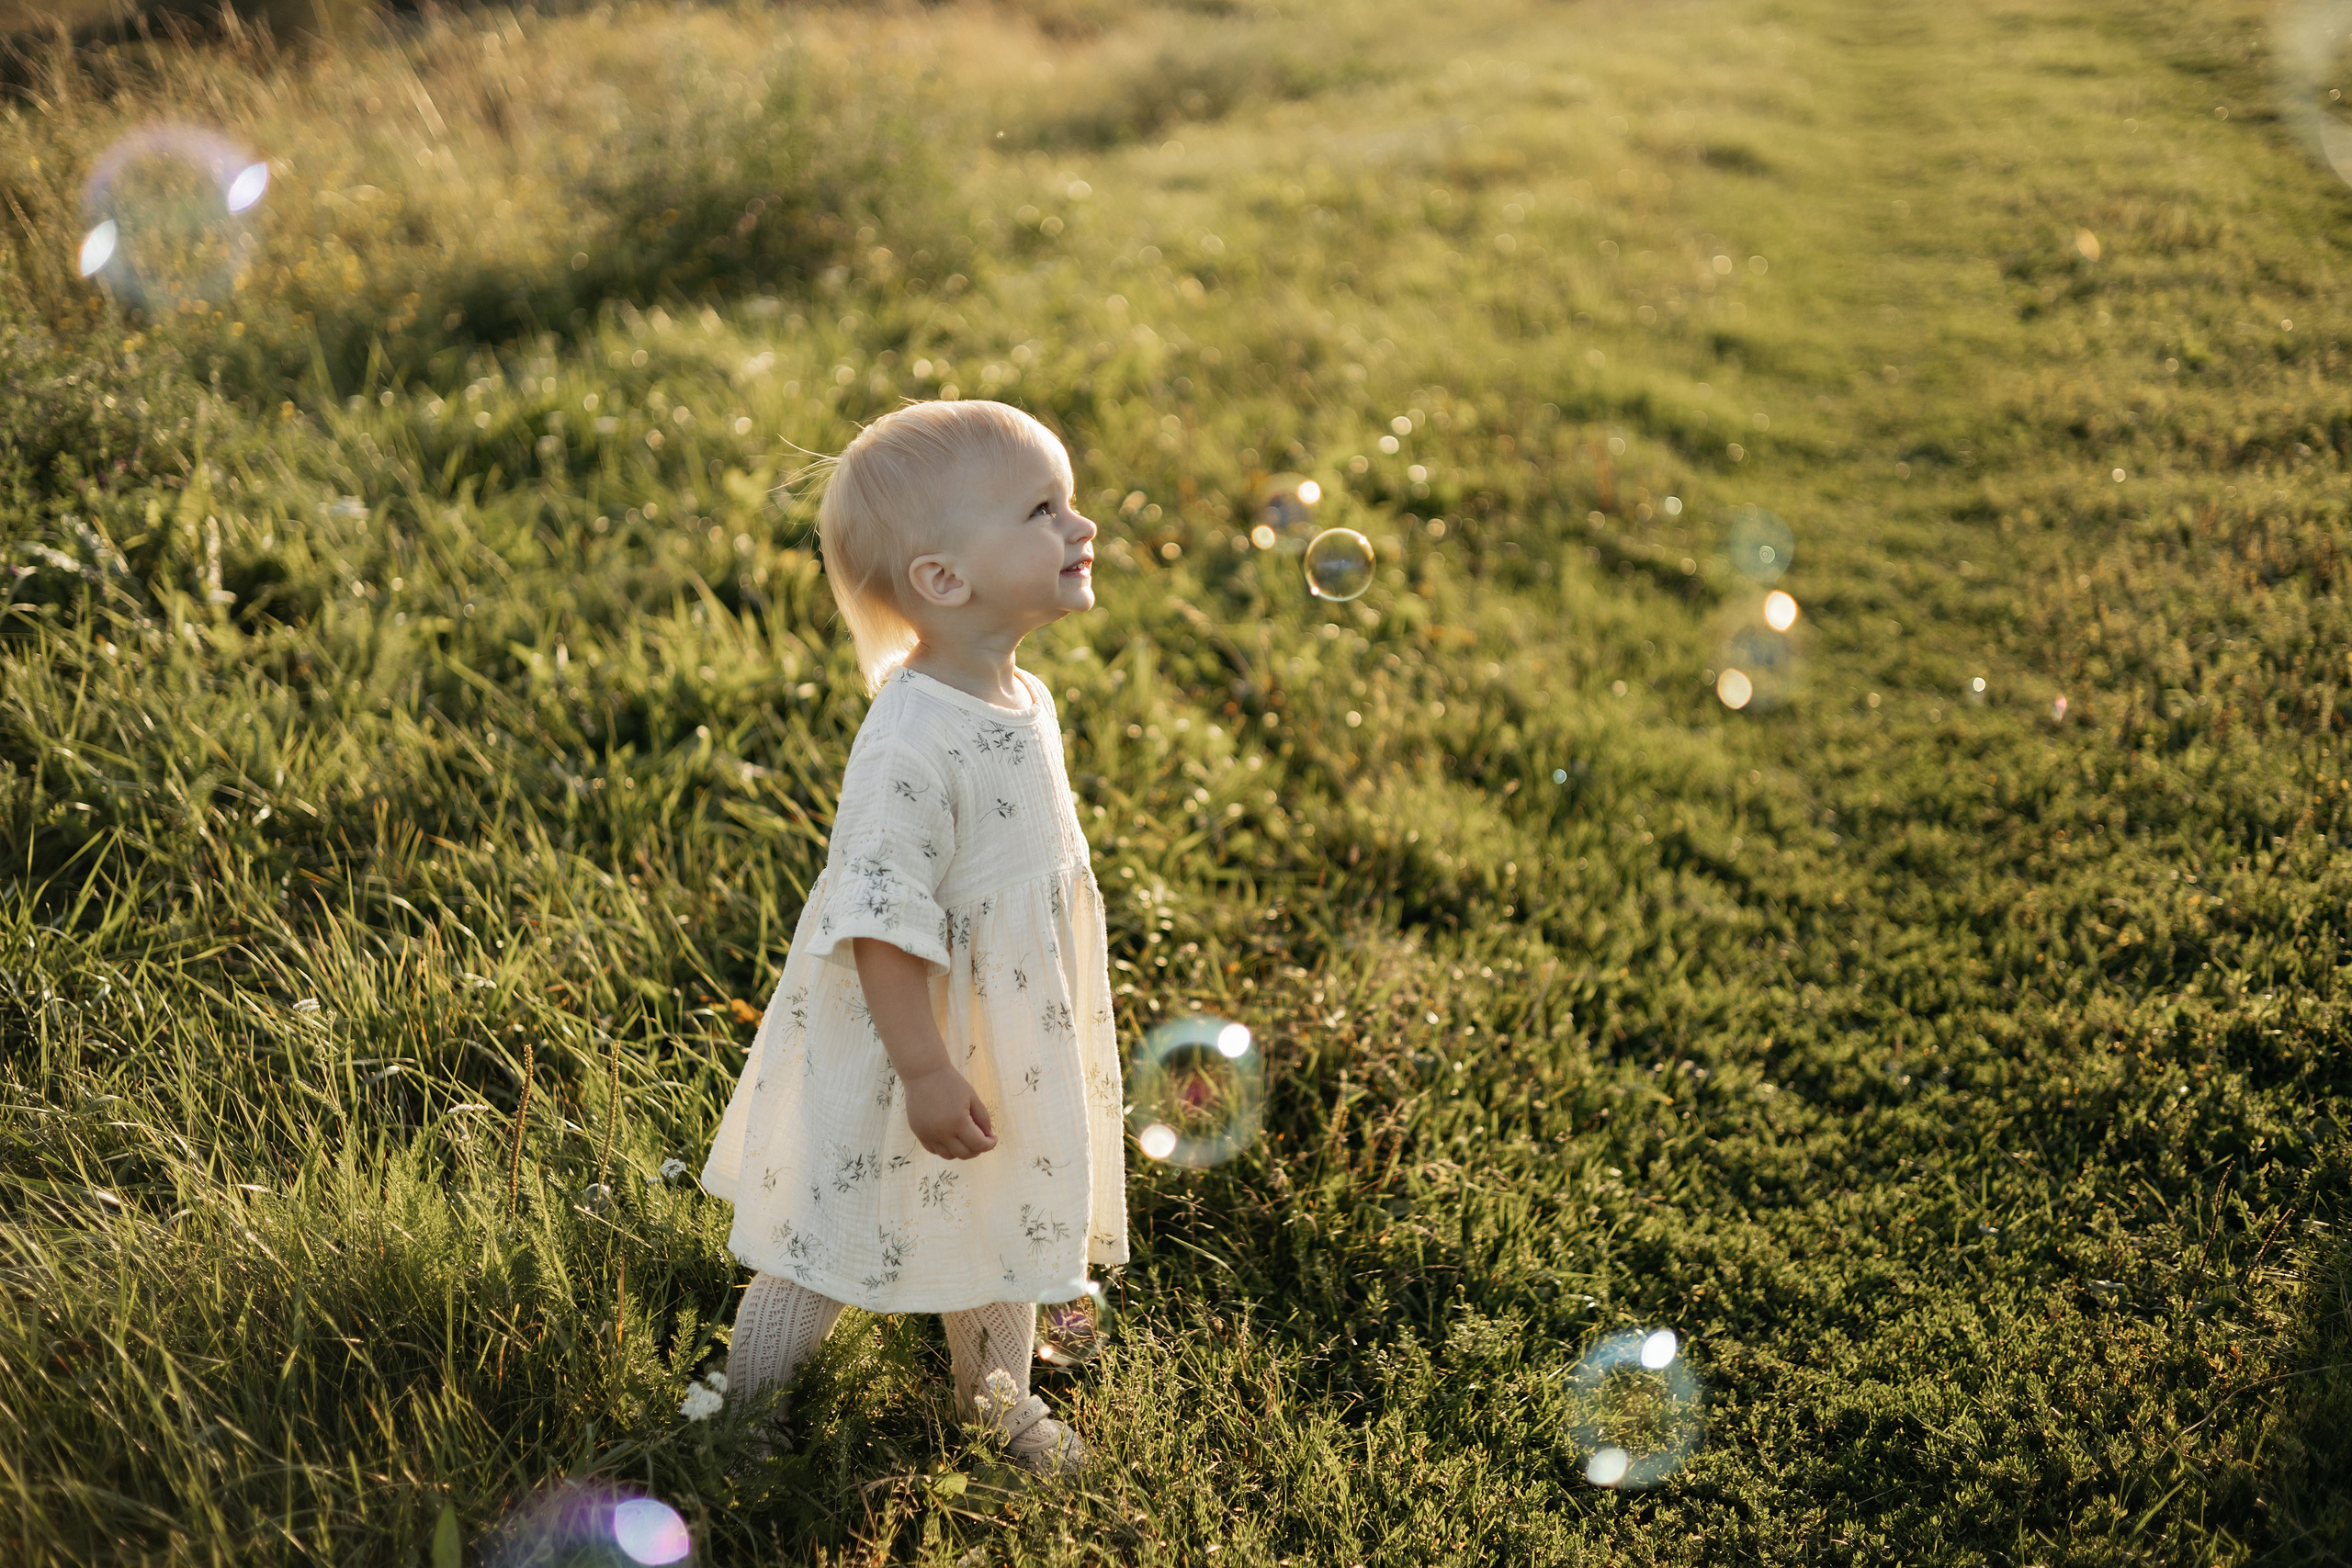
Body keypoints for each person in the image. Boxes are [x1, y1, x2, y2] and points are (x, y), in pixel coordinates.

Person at [698, 399, 1121, 1474]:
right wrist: (927, 1071)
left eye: (1069, 502)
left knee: (1003, 1212)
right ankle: (749, 1416)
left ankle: (996, 1405)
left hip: (1003, 1027)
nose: (1080, 527)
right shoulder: (909, 740)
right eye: (1042, 510)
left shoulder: (1021, 694)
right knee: (828, 1233)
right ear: (942, 578)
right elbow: (878, 927)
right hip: (906, 1042)